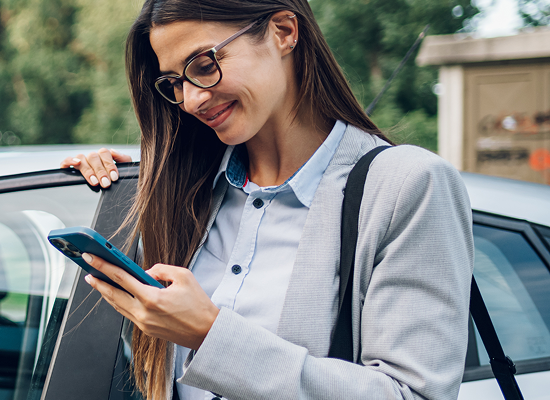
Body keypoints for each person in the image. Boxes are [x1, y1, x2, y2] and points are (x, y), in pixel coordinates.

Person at [60, 0, 473, 399]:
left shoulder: (407, 186)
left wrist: (209, 334)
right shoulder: (183, 195)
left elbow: (411, 394)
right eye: (174, 83)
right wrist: (109, 185)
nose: (191, 99)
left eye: (204, 65)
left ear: (283, 32)